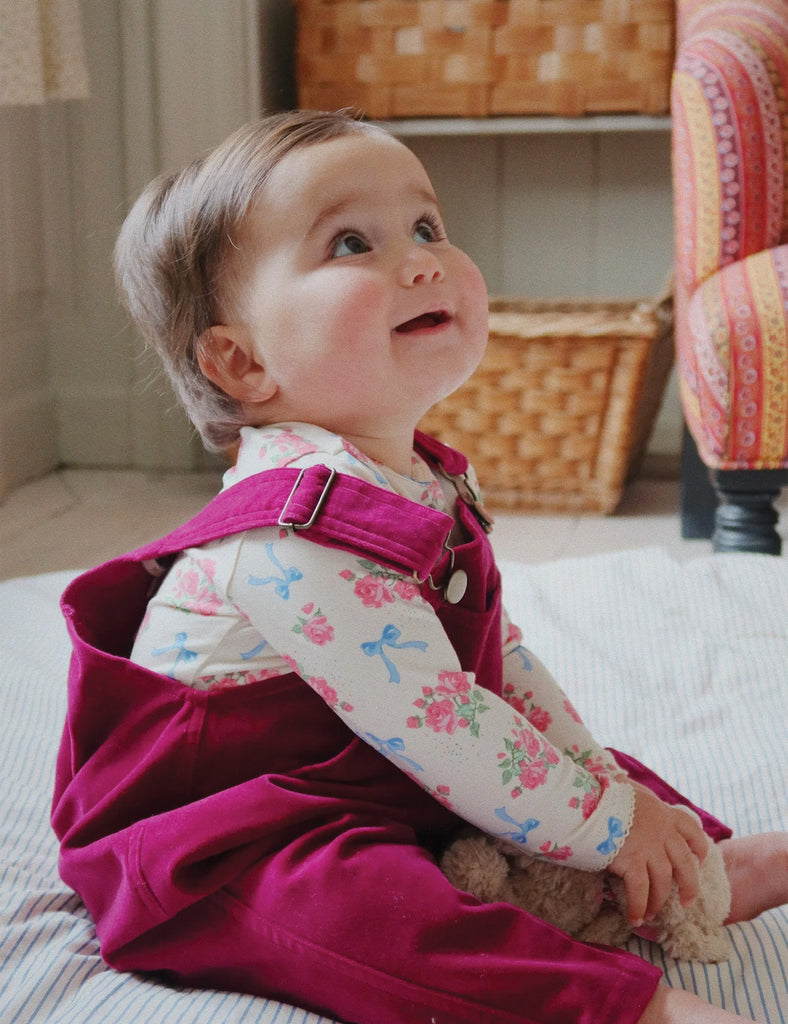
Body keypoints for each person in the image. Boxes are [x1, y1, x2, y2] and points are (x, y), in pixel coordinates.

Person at [52, 109, 787, 1024]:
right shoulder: (290, 537)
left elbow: (495, 670)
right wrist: (601, 822)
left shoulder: (419, 478)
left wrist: (617, 800)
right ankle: (625, 1006)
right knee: (362, 909)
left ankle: (697, 869)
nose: (422, 261)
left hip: (381, 761)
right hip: (231, 827)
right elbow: (445, 729)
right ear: (241, 361)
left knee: (570, 770)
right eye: (352, 243)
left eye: (428, 227)